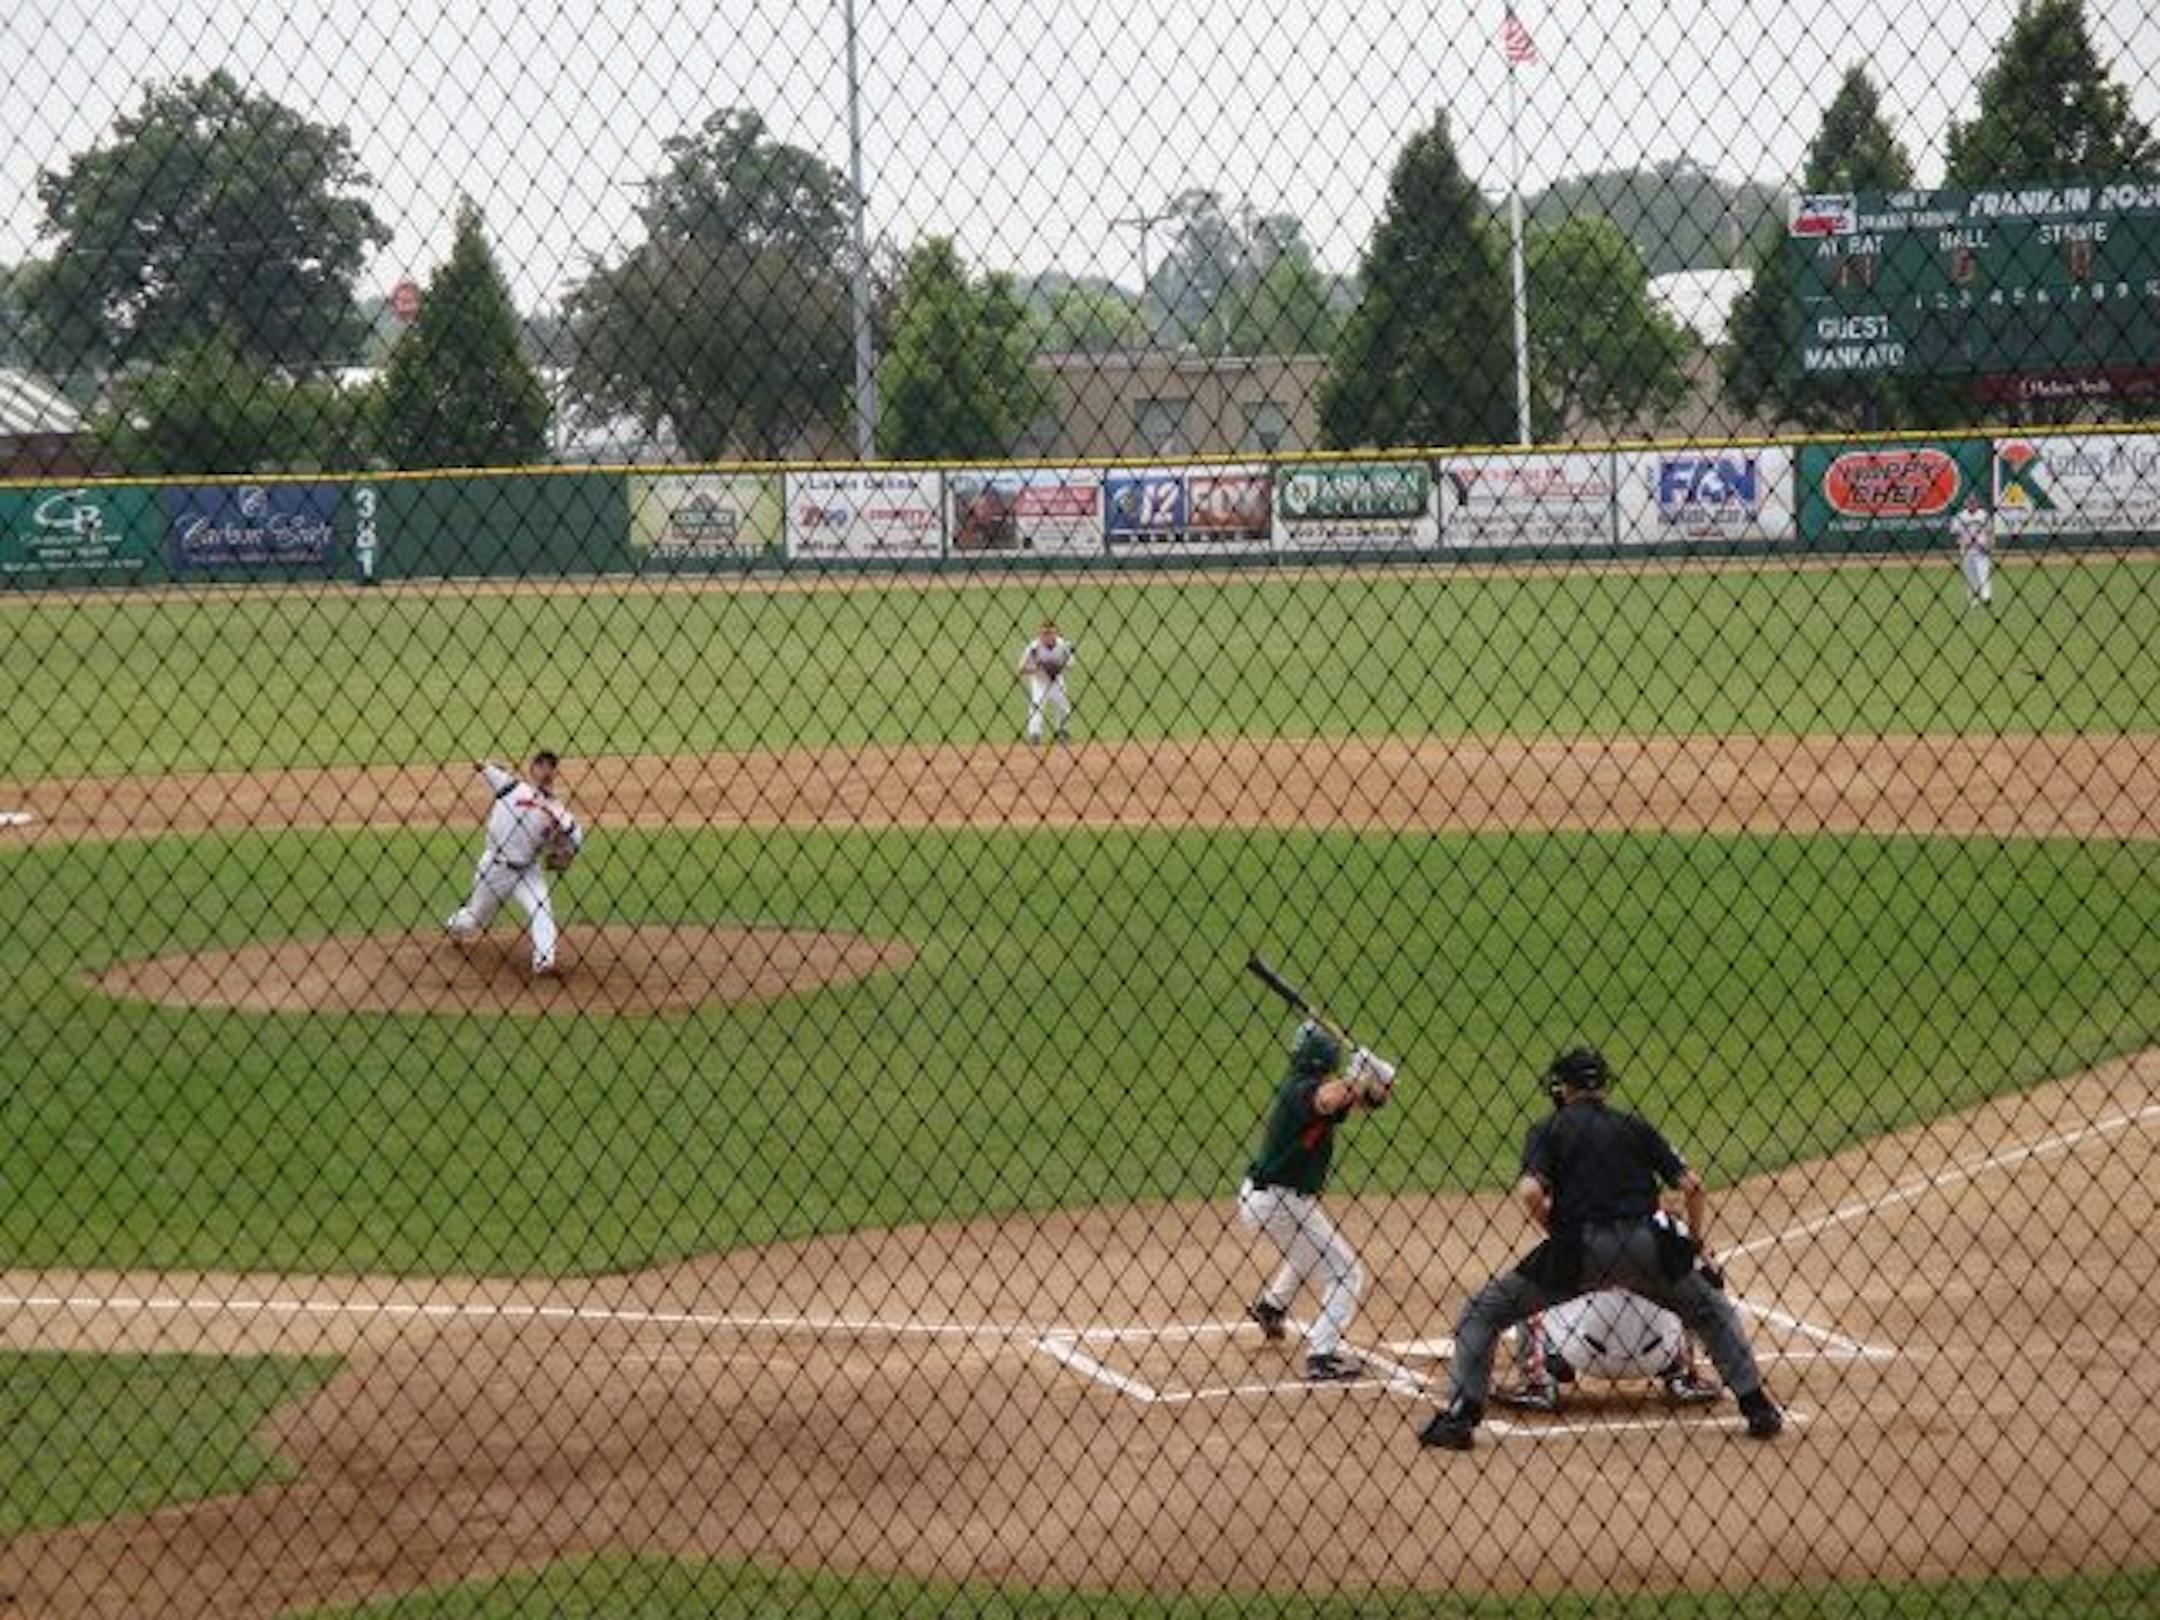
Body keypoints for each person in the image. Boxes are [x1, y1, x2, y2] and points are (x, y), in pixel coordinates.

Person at [1418, 1048, 1780, 1450]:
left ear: (1563, 1088)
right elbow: (1692, 1186)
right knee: (1712, 1310)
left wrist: (1557, 1228)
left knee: (1483, 1311)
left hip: (1579, 1252)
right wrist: (1694, 1242)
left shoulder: (1548, 1129)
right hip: (1646, 1247)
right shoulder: (1634, 1126)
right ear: (1604, 1087)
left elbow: (1530, 1192)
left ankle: (1462, 1416)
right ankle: (1757, 1406)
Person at [1239, 1024, 1395, 1382]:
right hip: (1278, 1201)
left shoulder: (1306, 1085)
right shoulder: (1302, 1093)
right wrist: (1358, 1073)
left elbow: (1369, 1101)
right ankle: (1321, 1356)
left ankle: (1271, 1306)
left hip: (1271, 1200)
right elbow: (1328, 1099)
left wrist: (1380, 1078)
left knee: (1307, 1249)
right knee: (1346, 1273)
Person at [444, 752, 584, 977]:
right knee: (475, 918)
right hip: (494, 868)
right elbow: (481, 765)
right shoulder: (511, 787)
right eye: (542, 766)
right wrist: (487, 764)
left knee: (542, 909)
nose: (546, 772)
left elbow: (575, 839)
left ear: (556, 773)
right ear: (532, 769)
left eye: (551, 768)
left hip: (527, 871)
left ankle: (544, 963)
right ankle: (453, 926)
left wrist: (565, 850)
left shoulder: (558, 811)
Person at [1017, 620, 1075, 745]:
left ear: (1055, 634)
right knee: (1036, 707)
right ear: (1040, 634)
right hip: (1040, 682)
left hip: (1057, 681)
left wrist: (1058, 667)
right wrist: (1038, 669)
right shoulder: (1033, 648)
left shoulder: (1063, 645)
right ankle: (1035, 734)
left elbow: (1071, 664)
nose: (1047, 636)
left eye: (1050, 633)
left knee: (1064, 706)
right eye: (1044, 633)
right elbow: (1021, 669)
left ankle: (1062, 732)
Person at [1951, 493, 1994, 610]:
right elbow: (1955, 533)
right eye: (1969, 502)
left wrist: (1989, 546)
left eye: (1973, 502)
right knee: (1971, 578)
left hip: (1981, 550)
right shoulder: (1960, 516)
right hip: (1967, 551)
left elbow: (1989, 532)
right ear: (1965, 503)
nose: (1971, 504)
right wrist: (1962, 544)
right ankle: (1973, 601)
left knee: (1984, 575)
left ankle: (1986, 597)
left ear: (1977, 503)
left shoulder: (1984, 515)